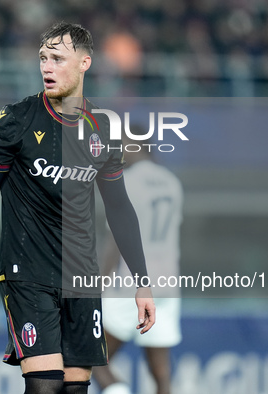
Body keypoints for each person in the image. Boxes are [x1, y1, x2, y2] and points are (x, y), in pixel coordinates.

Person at [0, 22, 155, 394]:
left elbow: (120, 209)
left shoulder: (101, 128)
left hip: (82, 279)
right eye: (43, 58)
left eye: (57, 59)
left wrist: (142, 282)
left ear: (84, 63)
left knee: (74, 389)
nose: (47, 67)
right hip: (27, 273)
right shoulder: (15, 121)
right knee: (45, 388)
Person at [93, 135, 183, 394]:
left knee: (92, 357)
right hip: (167, 283)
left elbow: (115, 240)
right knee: (161, 371)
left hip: (130, 283)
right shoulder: (171, 182)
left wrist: (97, 285)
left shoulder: (127, 181)